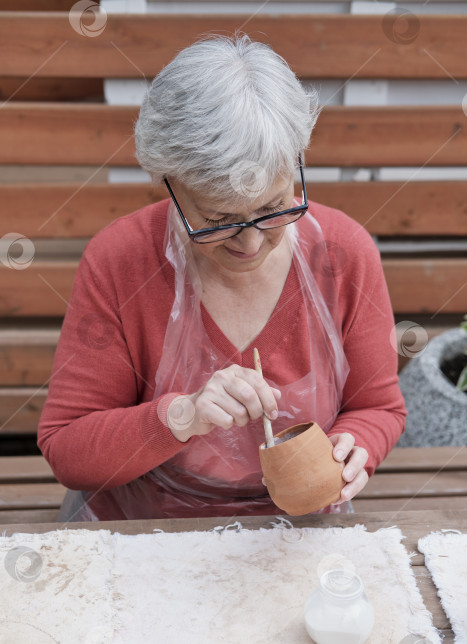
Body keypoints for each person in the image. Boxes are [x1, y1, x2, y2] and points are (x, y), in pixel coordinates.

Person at [37, 34, 407, 522]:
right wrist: (180, 416)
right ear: (169, 184)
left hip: (298, 525)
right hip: (145, 526)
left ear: (296, 163)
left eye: (274, 209)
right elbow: (67, 447)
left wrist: (355, 447)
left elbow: (378, 407)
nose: (250, 244)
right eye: (217, 220)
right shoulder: (119, 260)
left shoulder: (344, 254)